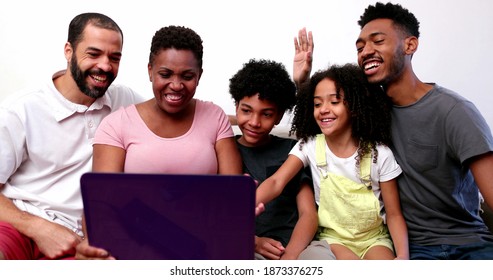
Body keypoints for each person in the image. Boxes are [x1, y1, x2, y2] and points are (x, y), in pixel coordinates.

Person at [297, 2, 493, 259]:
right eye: (360, 47)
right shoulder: (366, 112)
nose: (366, 51)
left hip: (469, 243)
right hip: (414, 247)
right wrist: (302, 82)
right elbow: (321, 124)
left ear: (410, 45)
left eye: (377, 41)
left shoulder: (454, 111)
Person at [75, 25, 243, 260]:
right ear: (150, 71)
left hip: (202, 246)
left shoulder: (215, 118)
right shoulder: (117, 125)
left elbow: (231, 196)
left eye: (187, 76)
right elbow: (101, 204)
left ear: (199, 76)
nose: (176, 85)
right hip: (135, 246)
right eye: (165, 74)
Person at [0, 13, 143, 260]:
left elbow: (172, 113)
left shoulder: (125, 101)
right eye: (94, 54)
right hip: (20, 225)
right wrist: (37, 227)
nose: (105, 66)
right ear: (68, 51)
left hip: (83, 241)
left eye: (114, 57)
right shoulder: (20, 109)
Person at [255, 62, 409, 260]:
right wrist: (249, 202)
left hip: (374, 239)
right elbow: (277, 182)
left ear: (354, 107)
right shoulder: (309, 146)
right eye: (317, 104)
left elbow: (394, 213)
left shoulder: (379, 153)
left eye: (334, 102)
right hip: (334, 239)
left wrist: (403, 256)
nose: (323, 110)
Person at [229, 58, 318, 260]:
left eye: (266, 114)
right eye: (246, 110)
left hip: (294, 248)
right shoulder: (225, 149)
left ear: (278, 117)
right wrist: (252, 241)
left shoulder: (290, 150)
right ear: (236, 106)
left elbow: (308, 214)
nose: (254, 122)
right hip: (246, 246)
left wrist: (290, 258)